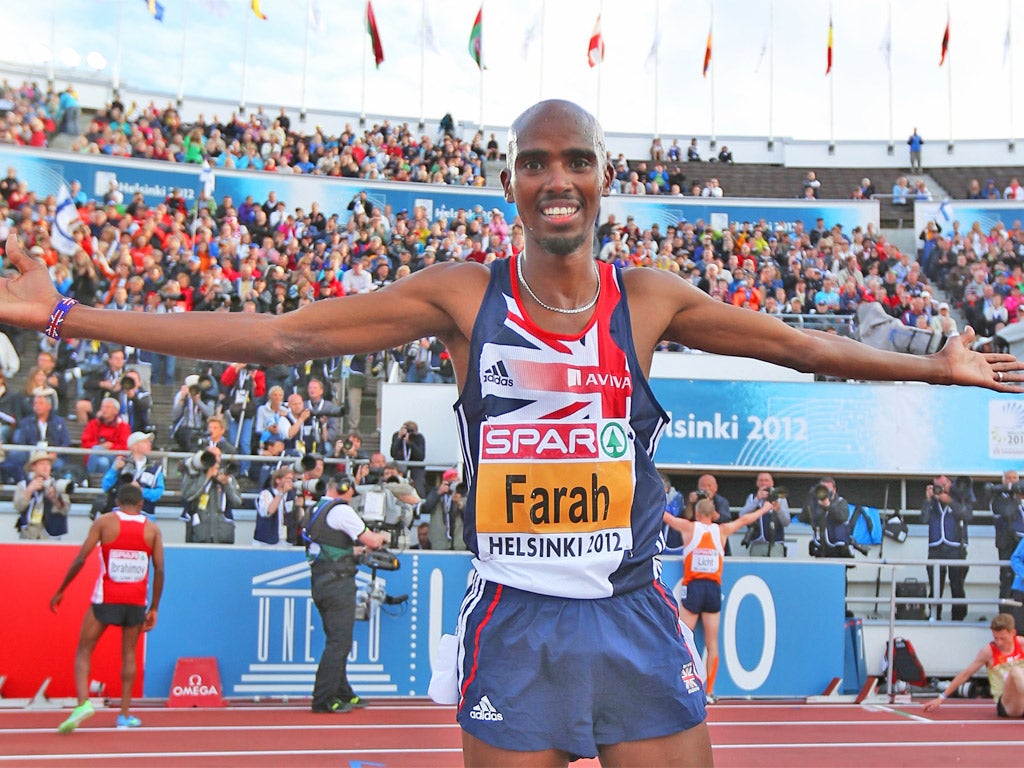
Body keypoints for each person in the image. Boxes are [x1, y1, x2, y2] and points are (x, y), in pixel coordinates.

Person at [0, 99, 1020, 766]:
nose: (556, 177)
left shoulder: (649, 300)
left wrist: (932, 365)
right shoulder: (462, 297)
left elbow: (803, 348)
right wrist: (59, 316)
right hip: (516, 626)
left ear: (601, 180)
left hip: (632, 616)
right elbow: (277, 334)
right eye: (536, 163)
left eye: (576, 159)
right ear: (512, 187)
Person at [50, 484, 164, 732]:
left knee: (83, 649)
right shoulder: (153, 529)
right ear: (141, 505)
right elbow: (160, 570)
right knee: (129, 654)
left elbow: (81, 558)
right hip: (136, 601)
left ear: (117, 501)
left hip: (106, 597)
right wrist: (154, 607)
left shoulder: (104, 523)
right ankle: (124, 714)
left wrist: (61, 590)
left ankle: (83, 704)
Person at [662, 497, 773, 703]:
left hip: (694, 587)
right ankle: (709, 691)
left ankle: (683, 687)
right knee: (712, 643)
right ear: (713, 515)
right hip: (712, 588)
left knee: (684, 639)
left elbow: (665, 516)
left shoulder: (689, 528)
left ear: (696, 514)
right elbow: (745, 519)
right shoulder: (721, 531)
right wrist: (765, 508)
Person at [305, 475, 389, 713]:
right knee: (339, 643)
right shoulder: (341, 510)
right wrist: (382, 537)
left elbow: (327, 545)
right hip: (338, 583)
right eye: (351, 492)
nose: (352, 497)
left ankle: (343, 692)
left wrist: (353, 550)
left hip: (321, 580)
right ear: (344, 489)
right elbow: (371, 540)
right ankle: (323, 698)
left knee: (336, 639)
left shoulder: (316, 509)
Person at [923, 614, 1024, 718]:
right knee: (1015, 671)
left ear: (1013, 633)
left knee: (1020, 672)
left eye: (1003, 638)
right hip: (1007, 704)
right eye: (995, 638)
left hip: (1022, 700)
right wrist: (941, 697)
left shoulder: (1022, 644)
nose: (999, 642)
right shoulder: (988, 652)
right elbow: (965, 674)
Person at [921, 474, 972, 621]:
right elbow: (923, 519)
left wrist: (949, 500)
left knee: (957, 585)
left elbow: (968, 515)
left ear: (950, 484)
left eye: (943, 485)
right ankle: (934, 615)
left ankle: (959, 617)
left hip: (955, 547)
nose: (941, 489)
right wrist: (928, 499)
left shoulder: (961, 497)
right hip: (936, 547)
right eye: (938, 486)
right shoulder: (932, 502)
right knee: (935, 585)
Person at [99, 431, 164, 518]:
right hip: (119, 515)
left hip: (145, 515)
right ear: (134, 446)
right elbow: (105, 486)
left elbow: (158, 493)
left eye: (149, 442)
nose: (149, 444)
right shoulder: (121, 463)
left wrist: (141, 490)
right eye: (145, 442)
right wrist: (114, 470)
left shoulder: (155, 469)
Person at [14, 449, 71, 539]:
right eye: (42, 464)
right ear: (33, 467)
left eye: (48, 464)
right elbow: (18, 507)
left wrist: (55, 499)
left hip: (51, 534)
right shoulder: (24, 485)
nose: (45, 467)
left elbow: (65, 509)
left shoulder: (58, 485)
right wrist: (29, 491)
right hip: (29, 533)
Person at [989, 471, 1024, 613]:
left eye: (1015, 478)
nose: (1012, 481)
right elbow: (1007, 512)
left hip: (1022, 543)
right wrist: (1016, 497)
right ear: (1003, 481)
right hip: (1007, 545)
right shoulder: (998, 498)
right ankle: (1004, 616)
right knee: (1007, 581)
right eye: (1009, 478)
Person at [738, 471, 791, 557]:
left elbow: (786, 522)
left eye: (767, 480)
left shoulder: (780, 499)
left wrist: (779, 510)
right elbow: (741, 515)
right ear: (757, 483)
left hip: (775, 544)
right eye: (761, 480)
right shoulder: (752, 497)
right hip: (756, 544)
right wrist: (757, 500)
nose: (764, 483)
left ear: (772, 483)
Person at [805, 476, 853, 558]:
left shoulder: (841, 502)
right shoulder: (816, 504)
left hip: (838, 549)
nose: (825, 492)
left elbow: (842, 517)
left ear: (834, 490)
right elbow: (811, 520)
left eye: (827, 489)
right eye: (823, 489)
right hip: (821, 547)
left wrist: (828, 506)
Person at [423, 468, 466, 551]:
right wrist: (438, 493)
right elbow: (426, 508)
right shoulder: (436, 492)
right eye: (451, 482)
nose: (454, 485)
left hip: (458, 543)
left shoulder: (463, 494)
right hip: (439, 542)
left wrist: (460, 504)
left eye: (456, 482)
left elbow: (470, 519)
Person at [390, 419, 426, 497]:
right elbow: (393, 453)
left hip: (415, 467)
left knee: (418, 485)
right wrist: (399, 438)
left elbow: (421, 456)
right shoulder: (397, 435)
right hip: (400, 466)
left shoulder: (419, 437)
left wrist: (410, 443)